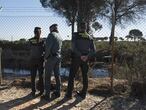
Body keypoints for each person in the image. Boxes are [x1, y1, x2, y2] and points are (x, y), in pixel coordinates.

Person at [66, 22, 96, 99]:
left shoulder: (75, 35)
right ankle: (83, 94)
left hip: (76, 58)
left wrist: (80, 55)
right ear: (85, 28)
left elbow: (73, 48)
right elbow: (93, 50)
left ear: (79, 27)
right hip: (85, 59)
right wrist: (86, 56)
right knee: (85, 76)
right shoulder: (89, 37)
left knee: (72, 75)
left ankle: (69, 94)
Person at [43, 24, 62, 100]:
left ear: (51, 29)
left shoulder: (51, 35)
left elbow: (48, 48)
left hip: (51, 58)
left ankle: (47, 95)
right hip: (58, 57)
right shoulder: (59, 36)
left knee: (47, 76)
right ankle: (58, 92)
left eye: (49, 29)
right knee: (57, 75)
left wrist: (45, 57)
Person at [29, 27, 45, 96]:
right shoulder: (43, 40)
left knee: (33, 76)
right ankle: (41, 91)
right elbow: (45, 50)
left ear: (33, 32)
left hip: (32, 60)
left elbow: (29, 49)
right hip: (40, 60)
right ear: (40, 32)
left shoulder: (30, 40)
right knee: (41, 76)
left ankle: (33, 91)